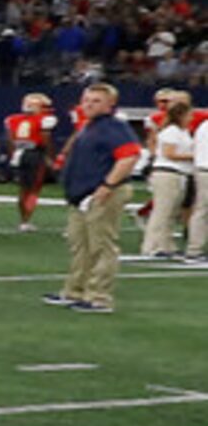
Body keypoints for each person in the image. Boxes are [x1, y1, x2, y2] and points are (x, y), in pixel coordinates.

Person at [45, 81, 142, 314]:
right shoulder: (90, 126)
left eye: (96, 101)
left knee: (101, 245)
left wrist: (108, 185)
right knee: (80, 245)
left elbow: (129, 156)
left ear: (110, 105)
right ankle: (75, 290)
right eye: (86, 100)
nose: (88, 104)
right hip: (83, 195)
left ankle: (99, 297)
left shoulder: (113, 127)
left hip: (101, 193)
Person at [131, 87, 195, 261]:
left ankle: (166, 245)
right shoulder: (171, 132)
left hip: (179, 174)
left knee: (171, 212)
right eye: (189, 116)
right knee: (162, 211)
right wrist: (196, 155)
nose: (191, 119)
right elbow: (169, 153)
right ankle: (151, 246)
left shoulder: (182, 132)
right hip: (168, 173)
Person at [4, 91, 58, 233]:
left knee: (23, 189)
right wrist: (49, 157)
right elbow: (46, 139)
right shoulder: (43, 120)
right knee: (34, 189)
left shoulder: (13, 120)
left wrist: (12, 155)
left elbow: (10, 140)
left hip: (19, 153)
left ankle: (23, 220)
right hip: (35, 153)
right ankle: (26, 220)